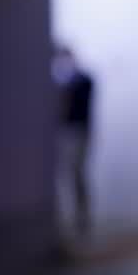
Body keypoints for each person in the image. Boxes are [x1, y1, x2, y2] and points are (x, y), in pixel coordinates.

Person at [54, 45, 95, 239]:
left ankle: (82, 218)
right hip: (64, 132)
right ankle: (65, 218)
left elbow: (76, 107)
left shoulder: (83, 80)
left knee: (77, 174)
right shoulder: (60, 82)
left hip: (79, 131)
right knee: (64, 175)